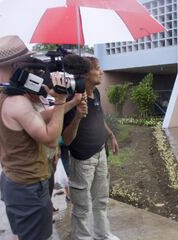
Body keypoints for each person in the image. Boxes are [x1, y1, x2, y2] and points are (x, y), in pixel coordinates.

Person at [0, 35, 69, 240]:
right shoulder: (17, 102)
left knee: (21, 235)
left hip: (12, 181)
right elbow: (50, 139)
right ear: (16, 64)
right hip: (28, 187)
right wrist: (59, 101)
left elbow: (32, 120)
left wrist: (70, 103)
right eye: (26, 62)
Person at [62, 57, 120, 240]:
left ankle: (102, 234)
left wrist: (110, 135)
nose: (101, 72)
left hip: (100, 153)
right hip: (82, 159)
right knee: (82, 206)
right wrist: (78, 116)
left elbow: (99, 118)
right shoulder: (71, 99)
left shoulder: (96, 93)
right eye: (98, 69)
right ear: (86, 74)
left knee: (101, 200)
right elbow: (67, 139)